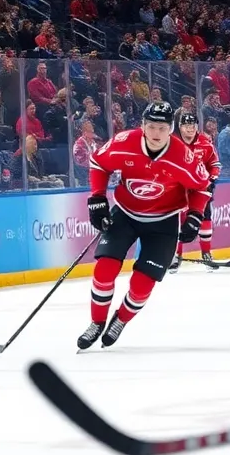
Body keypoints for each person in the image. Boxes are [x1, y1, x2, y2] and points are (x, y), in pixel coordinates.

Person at [78, 101, 212, 350]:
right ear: (142, 125)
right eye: (150, 126)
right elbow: (98, 163)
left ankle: (121, 319)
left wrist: (194, 215)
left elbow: (202, 187)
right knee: (104, 270)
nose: (155, 133)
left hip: (163, 223)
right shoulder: (124, 142)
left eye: (162, 128)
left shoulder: (183, 157)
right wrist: (96, 198)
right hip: (125, 214)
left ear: (171, 129)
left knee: (141, 286)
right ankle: (96, 323)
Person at [169, 110, 221, 272]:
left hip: (201, 189)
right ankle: (176, 255)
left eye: (192, 125)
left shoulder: (205, 143)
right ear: (180, 127)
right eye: (186, 126)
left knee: (205, 219)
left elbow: (215, 164)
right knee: (178, 222)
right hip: (179, 191)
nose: (190, 129)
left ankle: (206, 253)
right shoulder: (172, 143)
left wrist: (212, 179)